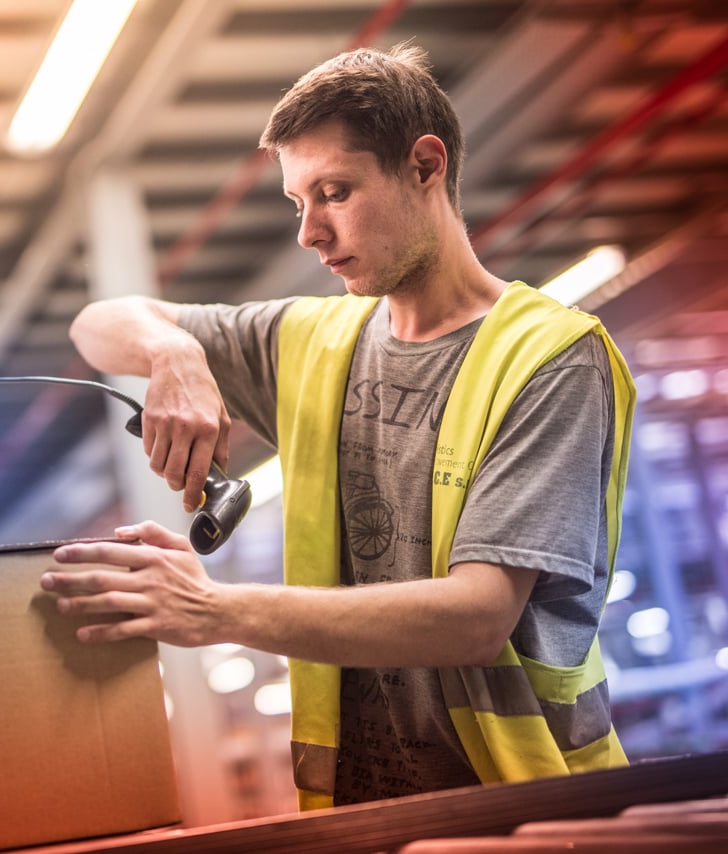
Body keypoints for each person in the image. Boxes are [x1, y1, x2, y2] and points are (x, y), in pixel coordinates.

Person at [39, 43, 635, 809]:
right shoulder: (315, 342)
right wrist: (173, 349)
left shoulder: (550, 357)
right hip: (363, 811)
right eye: (298, 202)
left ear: (425, 166)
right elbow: (98, 326)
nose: (309, 232)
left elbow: (477, 618)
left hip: (531, 807)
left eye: (334, 191)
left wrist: (215, 609)